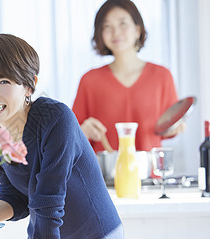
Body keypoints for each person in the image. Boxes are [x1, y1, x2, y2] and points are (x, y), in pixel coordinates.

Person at [0, 34, 124, 239]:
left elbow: (48, 203)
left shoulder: (55, 119)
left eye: (4, 81)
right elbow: (15, 197)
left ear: (29, 86)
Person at [72, 0, 185, 153]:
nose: (116, 32)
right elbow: (71, 135)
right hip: (103, 174)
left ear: (138, 30)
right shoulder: (89, 81)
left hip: (149, 173)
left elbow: (167, 128)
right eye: (107, 26)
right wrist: (83, 131)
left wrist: (175, 128)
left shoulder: (162, 76)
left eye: (122, 24)